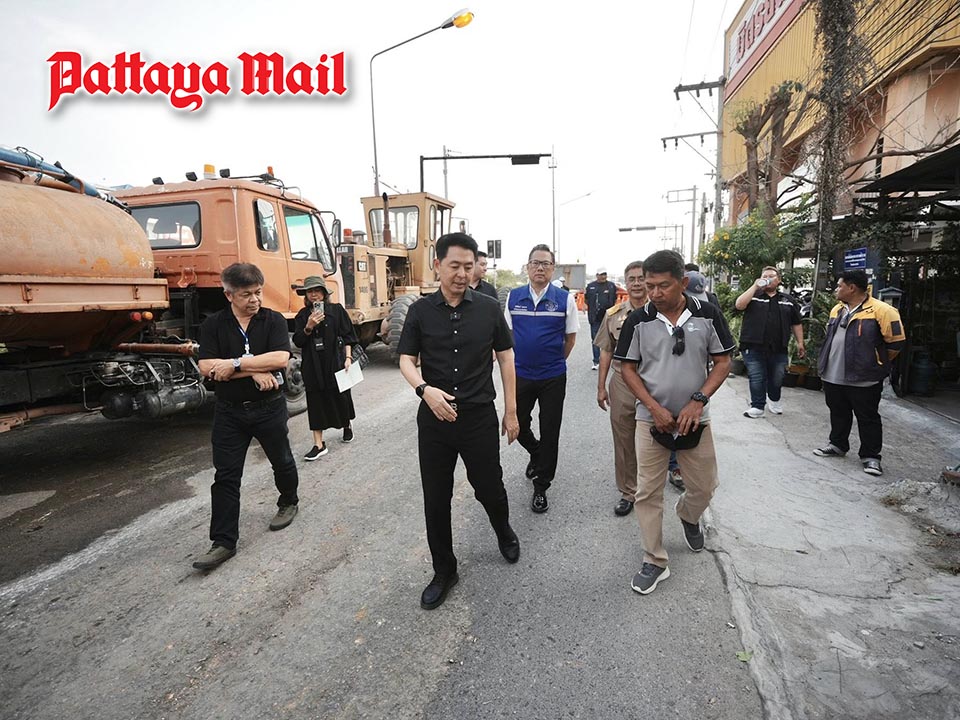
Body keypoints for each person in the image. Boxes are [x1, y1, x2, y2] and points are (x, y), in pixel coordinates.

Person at [397, 232, 521, 611]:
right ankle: (444, 570)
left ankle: (502, 529)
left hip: (478, 417)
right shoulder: (420, 311)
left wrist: (511, 410)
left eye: (469, 266)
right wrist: (424, 391)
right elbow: (406, 360)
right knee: (436, 497)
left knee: (489, 487)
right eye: (455, 266)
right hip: (434, 418)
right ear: (438, 265)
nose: (462, 274)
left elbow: (506, 357)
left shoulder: (488, 308)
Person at [614, 250, 735, 595]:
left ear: (682, 282)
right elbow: (627, 368)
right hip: (650, 420)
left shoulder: (707, 314)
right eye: (649, 285)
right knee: (647, 491)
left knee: (704, 487)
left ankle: (688, 515)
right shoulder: (638, 321)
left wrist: (698, 401)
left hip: (696, 419)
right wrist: (653, 407)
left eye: (662, 286)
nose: (653, 293)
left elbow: (723, 362)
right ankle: (654, 559)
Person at [192, 263, 299, 570]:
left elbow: (281, 358)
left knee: (282, 460)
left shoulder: (273, 320)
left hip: (269, 408)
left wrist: (236, 365)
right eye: (246, 294)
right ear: (229, 295)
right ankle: (223, 541)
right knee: (225, 476)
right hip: (229, 412)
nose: (255, 299)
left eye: (258, 292)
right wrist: (255, 371)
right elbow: (207, 367)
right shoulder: (214, 325)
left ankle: (288, 501)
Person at [506, 244, 579, 513]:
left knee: (550, 430)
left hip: (552, 376)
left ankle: (541, 485)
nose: (540, 268)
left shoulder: (564, 299)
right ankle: (536, 452)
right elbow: (507, 337)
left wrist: (554, 361)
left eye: (545, 264)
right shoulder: (514, 297)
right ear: (527, 267)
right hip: (520, 374)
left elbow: (570, 339)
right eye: (535, 263)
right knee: (517, 423)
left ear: (552, 268)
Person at [813, 269, 906, 476]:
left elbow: (896, 343)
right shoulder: (837, 309)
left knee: (868, 416)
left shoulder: (883, 310)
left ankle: (871, 457)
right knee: (838, 411)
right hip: (833, 373)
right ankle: (837, 444)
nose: (836, 289)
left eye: (839, 286)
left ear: (852, 288)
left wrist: (875, 362)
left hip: (865, 377)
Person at [595, 260, 646, 516]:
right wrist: (601, 387)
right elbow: (606, 351)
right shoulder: (614, 314)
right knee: (624, 438)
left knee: (657, 435)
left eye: (641, 278)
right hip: (623, 382)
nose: (636, 283)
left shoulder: (662, 311)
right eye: (631, 279)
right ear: (625, 283)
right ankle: (628, 491)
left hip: (656, 382)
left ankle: (653, 485)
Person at [292, 275, 358, 459]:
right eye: (310, 291)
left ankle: (346, 425)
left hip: (335, 360)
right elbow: (298, 341)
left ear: (324, 293)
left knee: (340, 396)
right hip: (312, 364)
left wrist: (348, 358)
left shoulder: (336, 310)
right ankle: (319, 444)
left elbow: (348, 336)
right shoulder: (302, 315)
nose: (313, 294)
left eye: (317, 290)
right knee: (315, 401)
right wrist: (308, 327)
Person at [734, 266, 805, 418]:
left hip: (779, 347)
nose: (768, 279)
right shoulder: (754, 296)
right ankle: (757, 406)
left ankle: (774, 399)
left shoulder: (787, 300)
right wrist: (755, 286)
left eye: (771, 276)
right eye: (764, 276)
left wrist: (800, 343)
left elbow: (796, 323)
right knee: (757, 376)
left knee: (777, 377)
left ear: (778, 280)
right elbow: (739, 305)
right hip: (753, 344)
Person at [585, 268, 618, 370]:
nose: (603, 276)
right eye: (601, 274)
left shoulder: (611, 286)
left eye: (604, 274)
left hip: (608, 317)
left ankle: (611, 359)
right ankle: (596, 361)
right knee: (595, 339)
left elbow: (614, 299)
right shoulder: (591, 286)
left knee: (611, 339)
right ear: (597, 275)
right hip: (594, 317)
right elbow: (586, 299)